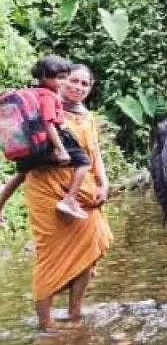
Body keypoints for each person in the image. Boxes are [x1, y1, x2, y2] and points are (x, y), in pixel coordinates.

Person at [20, 63, 113, 332]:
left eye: (84, 84)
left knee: (90, 247)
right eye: (73, 81)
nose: (77, 87)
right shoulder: (45, 113)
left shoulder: (86, 116)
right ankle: (46, 324)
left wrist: (104, 183)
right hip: (48, 192)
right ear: (61, 81)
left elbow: (94, 155)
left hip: (85, 195)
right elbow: (28, 161)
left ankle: (74, 313)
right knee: (49, 255)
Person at [0, 55, 91, 222]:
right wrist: (60, 149)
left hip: (32, 144)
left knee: (20, 173)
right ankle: (70, 199)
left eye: (65, 77)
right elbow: (49, 124)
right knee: (84, 162)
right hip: (46, 143)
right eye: (59, 78)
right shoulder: (48, 96)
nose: (63, 82)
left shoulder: (33, 91)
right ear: (44, 77)